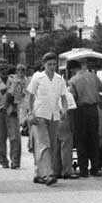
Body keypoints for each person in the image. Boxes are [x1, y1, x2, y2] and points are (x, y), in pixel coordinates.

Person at [26, 52, 70, 186]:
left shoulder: (59, 79)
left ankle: (39, 173)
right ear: (44, 64)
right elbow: (30, 96)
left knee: (52, 144)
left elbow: (63, 97)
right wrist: (31, 113)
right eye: (49, 64)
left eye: (54, 64)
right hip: (40, 114)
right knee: (45, 144)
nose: (52, 67)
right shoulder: (37, 77)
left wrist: (64, 109)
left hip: (54, 115)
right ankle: (50, 173)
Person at [68, 58, 102, 176]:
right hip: (94, 109)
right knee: (93, 139)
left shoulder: (73, 80)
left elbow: (72, 96)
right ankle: (95, 168)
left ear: (72, 69)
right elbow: (101, 88)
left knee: (81, 139)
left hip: (80, 110)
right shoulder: (93, 76)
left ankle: (83, 169)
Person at [0, 62, 22, 169]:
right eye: (1, 69)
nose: (4, 71)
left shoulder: (14, 81)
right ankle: (3, 161)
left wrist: (14, 99)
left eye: (6, 68)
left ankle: (15, 161)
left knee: (15, 136)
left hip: (12, 110)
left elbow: (20, 96)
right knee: (0, 137)